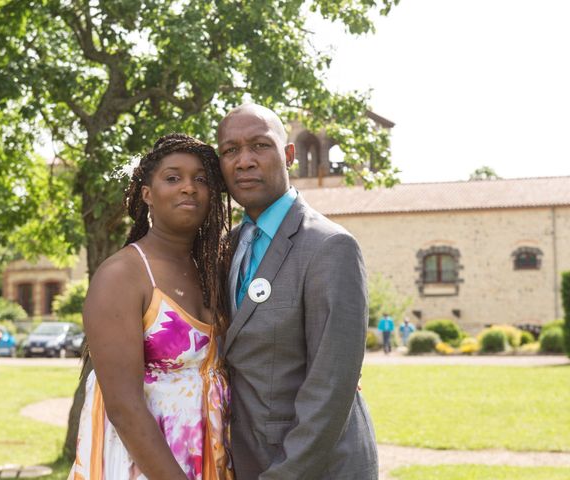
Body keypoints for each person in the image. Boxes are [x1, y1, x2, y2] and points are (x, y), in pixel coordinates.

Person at [218, 104, 377, 480]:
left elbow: (330, 387)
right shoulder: (229, 246)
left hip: (316, 467)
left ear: (288, 155)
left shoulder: (330, 247)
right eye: (230, 151)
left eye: (260, 145)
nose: (244, 161)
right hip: (248, 460)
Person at [68, 134, 234, 480]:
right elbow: (124, 407)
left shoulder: (213, 269)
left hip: (210, 455)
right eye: (173, 178)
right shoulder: (122, 275)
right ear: (147, 195)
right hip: (144, 464)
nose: (189, 187)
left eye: (201, 179)